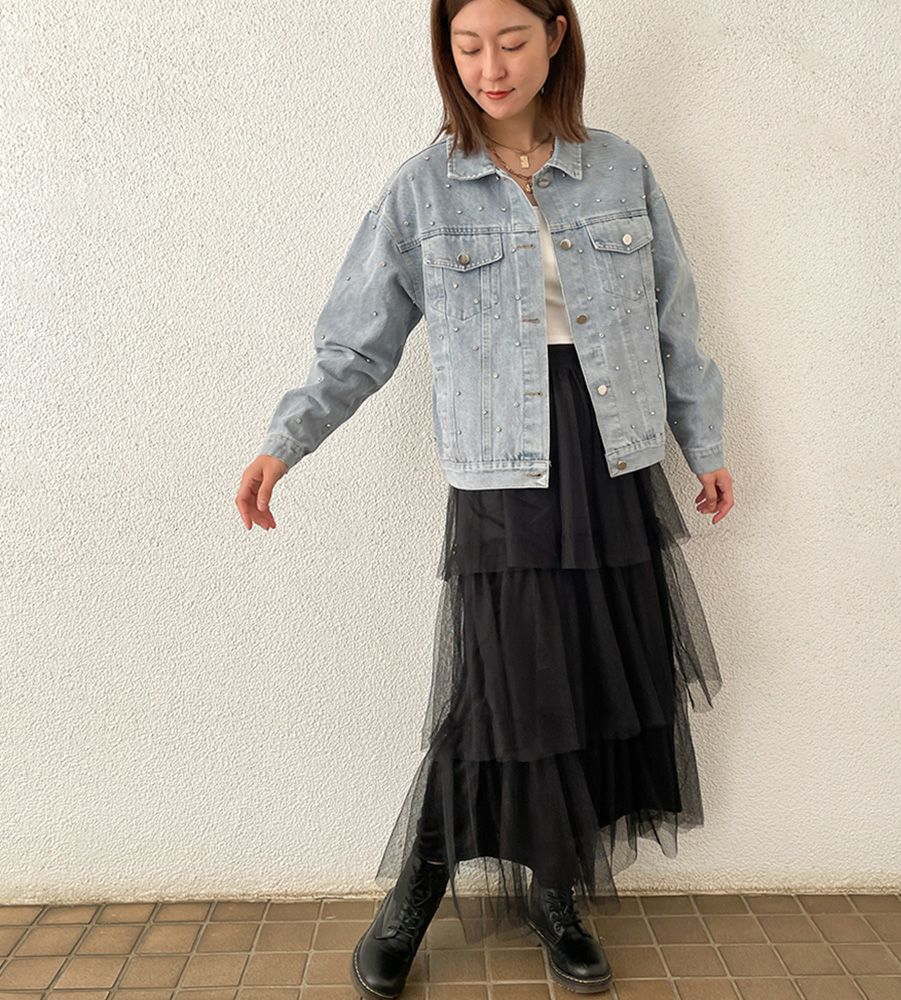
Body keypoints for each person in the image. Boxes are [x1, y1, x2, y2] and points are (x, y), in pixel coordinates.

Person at [235, 0, 734, 995]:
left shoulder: (620, 168)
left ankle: (554, 892)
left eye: (510, 41)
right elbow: (356, 342)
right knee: (499, 693)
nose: (489, 66)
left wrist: (703, 441)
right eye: (467, 46)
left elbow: (673, 317)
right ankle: (415, 895)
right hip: (502, 468)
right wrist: (285, 443)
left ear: (555, 36)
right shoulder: (423, 190)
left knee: (581, 684)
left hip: (611, 454)